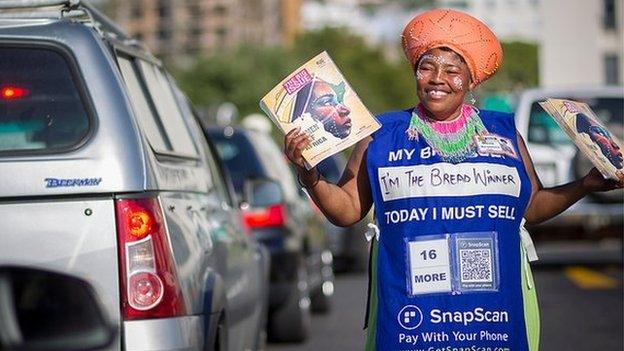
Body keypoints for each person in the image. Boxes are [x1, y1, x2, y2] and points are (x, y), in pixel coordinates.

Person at [283, 8, 624, 351]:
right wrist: (309, 174)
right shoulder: (381, 134)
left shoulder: (503, 132)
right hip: (411, 315)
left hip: (492, 315)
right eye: (426, 68)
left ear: (471, 80)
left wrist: (584, 186)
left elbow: (530, 207)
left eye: (451, 70)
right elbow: (348, 209)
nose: (436, 79)